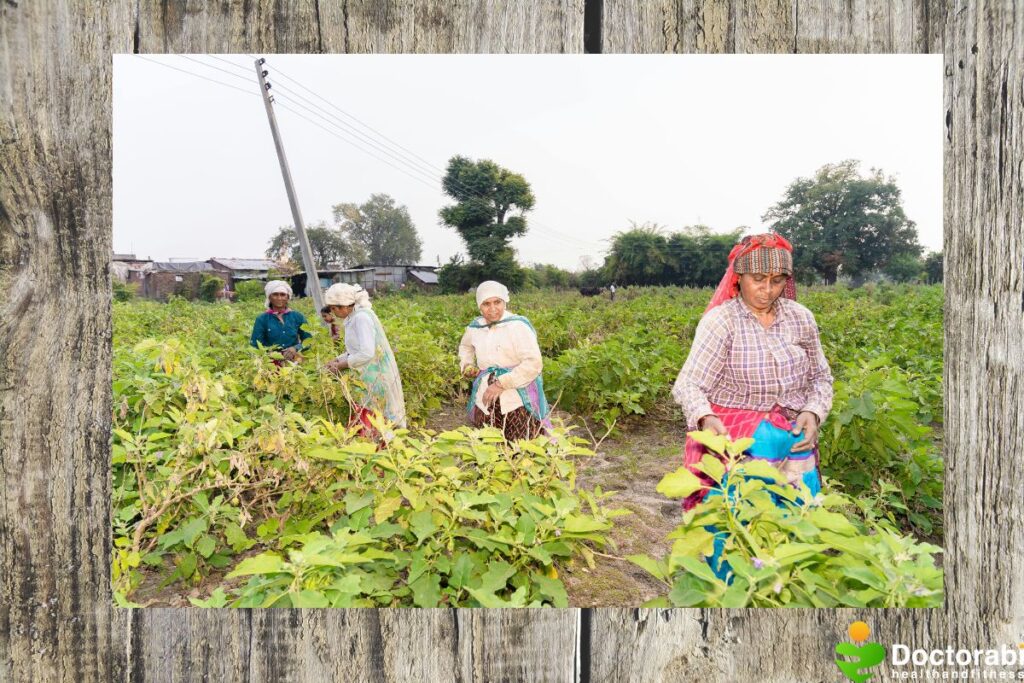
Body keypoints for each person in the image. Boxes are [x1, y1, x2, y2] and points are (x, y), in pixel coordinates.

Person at [672, 233, 833, 509]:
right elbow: (688, 384)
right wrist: (706, 418)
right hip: (741, 443)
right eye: (757, 279)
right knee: (738, 523)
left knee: (796, 525)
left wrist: (813, 412)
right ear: (739, 278)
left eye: (777, 280)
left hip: (794, 443)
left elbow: (821, 377)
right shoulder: (722, 321)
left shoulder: (800, 317)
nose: (767, 289)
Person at [458, 280, 552, 440]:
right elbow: (465, 347)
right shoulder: (475, 327)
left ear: (505, 302)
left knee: (520, 443)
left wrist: (501, 384)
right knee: (488, 440)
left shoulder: (517, 326)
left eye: (497, 302)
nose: (493, 309)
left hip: (517, 394)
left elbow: (533, 363)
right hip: (485, 395)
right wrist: (467, 364)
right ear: (479, 305)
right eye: (486, 304)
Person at [323, 283, 407, 437]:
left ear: (344, 306)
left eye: (334, 308)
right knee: (372, 415)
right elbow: (355, 350)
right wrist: (336, 359)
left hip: (375, 376)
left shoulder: (361, 318)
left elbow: (367, 353)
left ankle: (382, 451)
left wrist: (342, 365)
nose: (333, 312)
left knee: (377, 416)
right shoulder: (354, 316)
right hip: (369, 373)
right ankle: (375, 449)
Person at [249, 281, 310, 362]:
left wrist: (295, 348)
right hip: (270, 363)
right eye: (275, 294)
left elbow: (309, 341)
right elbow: (255, 345)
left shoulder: (297, 316)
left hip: (294, 361)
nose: (279, 298)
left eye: (282, 294)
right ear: (269, 297)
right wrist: (269, 354)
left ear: (288, 297)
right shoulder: (262, 319)